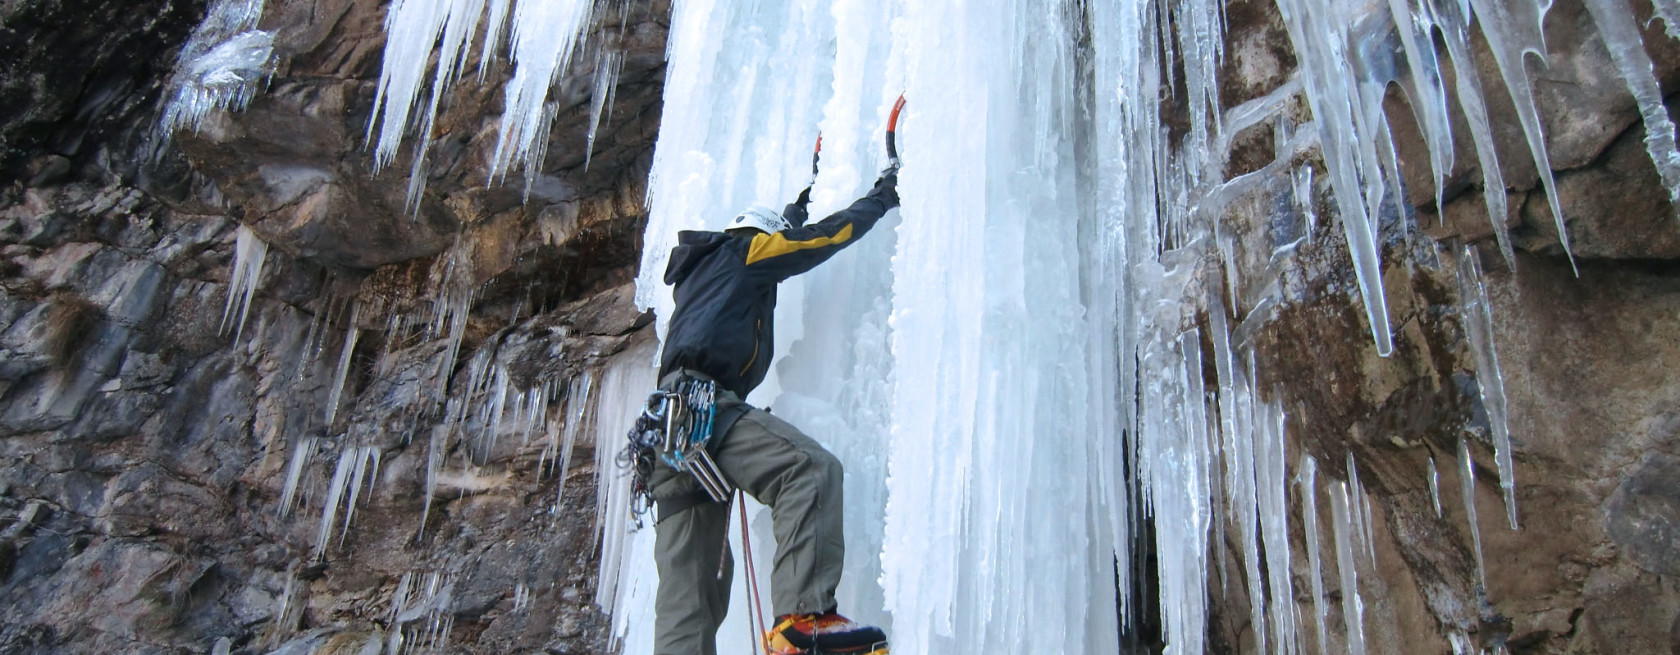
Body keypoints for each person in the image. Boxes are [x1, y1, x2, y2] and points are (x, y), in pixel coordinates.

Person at [646, 165, 899, 655]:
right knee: (808, 471)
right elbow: (818, 240)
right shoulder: (744, 251)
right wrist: (880, 198)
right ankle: (803, 618)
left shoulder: (707, 271)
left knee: (689, 597)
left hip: (665, 435)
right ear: (761, 239)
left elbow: (784, 238)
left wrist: (793, 210)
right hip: (702, 407)